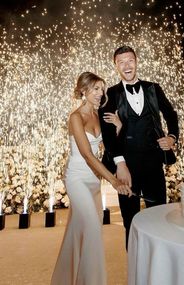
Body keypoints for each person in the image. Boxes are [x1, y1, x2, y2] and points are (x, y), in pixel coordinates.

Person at [51, 71, 132, 285]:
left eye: (102, 89)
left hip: (94, 181)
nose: (101, 93)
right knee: (94, 231)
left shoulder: (100, 115)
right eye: (96, 89)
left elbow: (110, 149)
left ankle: (65, 280)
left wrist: (119, 127)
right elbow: (87, 155)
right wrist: (114, 182)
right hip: (77, 179)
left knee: (77, 231)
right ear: (84, 90)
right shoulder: (75, 117)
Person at [99, 46, 179, 249]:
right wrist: (120, 164)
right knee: (130, 220)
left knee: (160, 215)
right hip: (127, 167)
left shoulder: (153, 88)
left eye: (130, 60)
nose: (127, 65)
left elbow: (171, 114)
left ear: (136, 61)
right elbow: (108, 134)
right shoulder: (110, 93)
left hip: (153, 164)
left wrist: (171, 137)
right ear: (116, 65)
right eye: (121, 62)